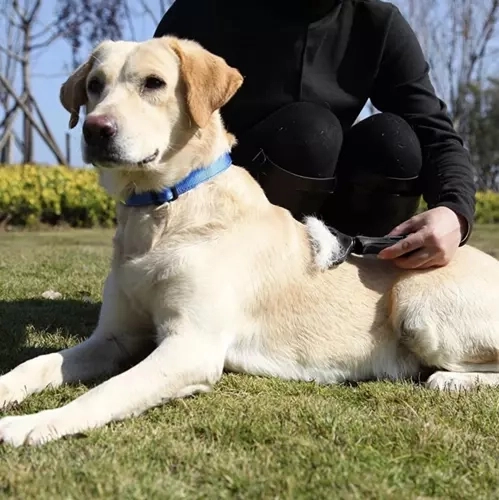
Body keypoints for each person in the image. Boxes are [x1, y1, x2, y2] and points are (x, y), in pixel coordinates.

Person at [154, 0, 476, 270]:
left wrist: (455, 213)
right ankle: (252, 281)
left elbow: (434, 133)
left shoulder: (378, 23)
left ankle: (358, 278)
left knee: (394, 142)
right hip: (229, 214)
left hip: (334, 215)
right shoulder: (204, 11)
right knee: (309, 133)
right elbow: (150, 117)